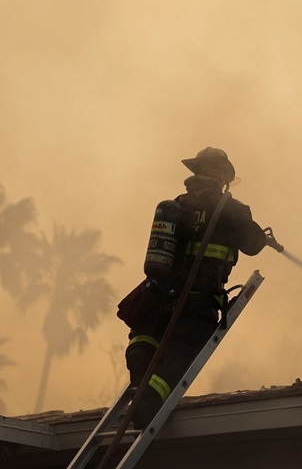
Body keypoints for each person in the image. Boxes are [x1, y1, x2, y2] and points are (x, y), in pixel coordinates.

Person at [122, 147, 270, 429]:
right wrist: (261, 236)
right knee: (180, 355)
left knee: (145, 342)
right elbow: (252, 245)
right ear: (221, 174)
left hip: (160, 299)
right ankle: (147, 407)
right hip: (196, 302)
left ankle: (141, 389)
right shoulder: (229, 208)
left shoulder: (176, 206)